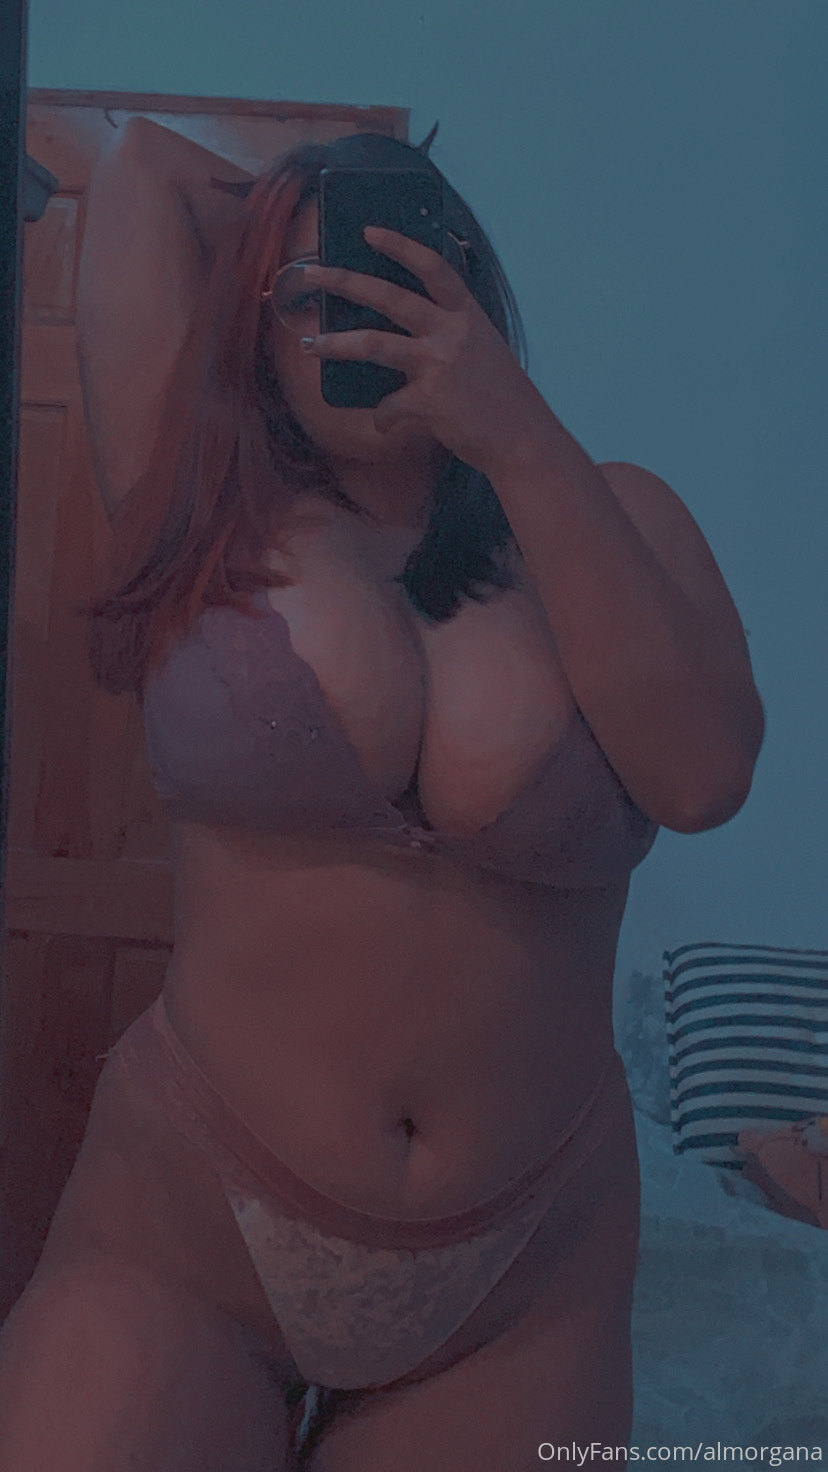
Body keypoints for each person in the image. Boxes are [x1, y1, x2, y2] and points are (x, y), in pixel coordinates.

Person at [0, 117, 763, 1471]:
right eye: (307, 299)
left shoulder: (619, 515)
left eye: (399, 277)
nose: (350, 322)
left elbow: (703, 778)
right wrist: (305, 202)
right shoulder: (205, 502)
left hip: (522, 1284)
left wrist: (513, 430)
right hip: (185, 1231)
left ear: (473, 292)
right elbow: (140, 167)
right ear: (253, 329)